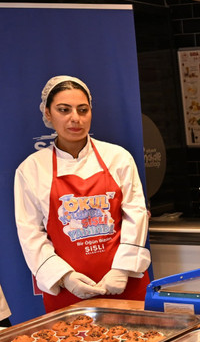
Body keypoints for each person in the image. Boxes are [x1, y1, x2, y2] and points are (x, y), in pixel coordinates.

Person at [14, 76, 151, 313]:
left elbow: (136, 215)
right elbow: (30, 233)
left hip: (125, 283)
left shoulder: (118, 157)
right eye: (63, 110)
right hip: (69, 292)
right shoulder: (32, 168)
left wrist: (123, 269)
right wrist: (64, 277)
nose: (75, 118)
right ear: (48, 113)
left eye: (82, 110)